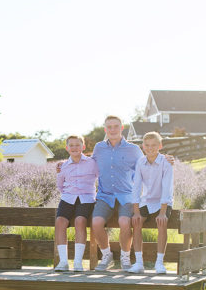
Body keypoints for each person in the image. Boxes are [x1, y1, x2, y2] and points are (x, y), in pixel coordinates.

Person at [90, 115, 143, 271]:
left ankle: (125, 258)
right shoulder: (99, 147)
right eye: (109, 127)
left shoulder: (133, 149)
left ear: (121, 128)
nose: (112, 129)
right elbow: (89, 164)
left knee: (125, 222)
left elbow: (146, 165)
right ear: (106, 129)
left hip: (126, 195)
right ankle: (107, 256)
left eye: (116, 126)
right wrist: (64, 165)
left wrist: (165, 160)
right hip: (104, 195)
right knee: (96, 223)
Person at [130, 131, 173, 274]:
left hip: (163, 202)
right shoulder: (140, 162)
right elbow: (136, 187)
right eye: (147, 145)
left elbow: (167, 188)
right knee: (136, 222)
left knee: (162, 223)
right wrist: (136, 211)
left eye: (154, 145)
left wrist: (162, 213)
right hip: (146, 201)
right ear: (143, 146)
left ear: (160, 146)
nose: (150, 148)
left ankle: (159, 263)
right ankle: (138, 262)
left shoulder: (166, 162)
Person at [54, 135, 98, 271]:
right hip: (68, 198)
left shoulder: (92, 163)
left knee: (80, 221)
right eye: (71, 145)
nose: (74, 147)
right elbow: (60, 185)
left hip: (86, 198)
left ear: (83, 147)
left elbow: (100, 177)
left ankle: (78, 262)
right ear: (67, 148)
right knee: (60, 222)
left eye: (77, 145)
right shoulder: (64, 166)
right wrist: (69, 192)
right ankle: (63, 262)